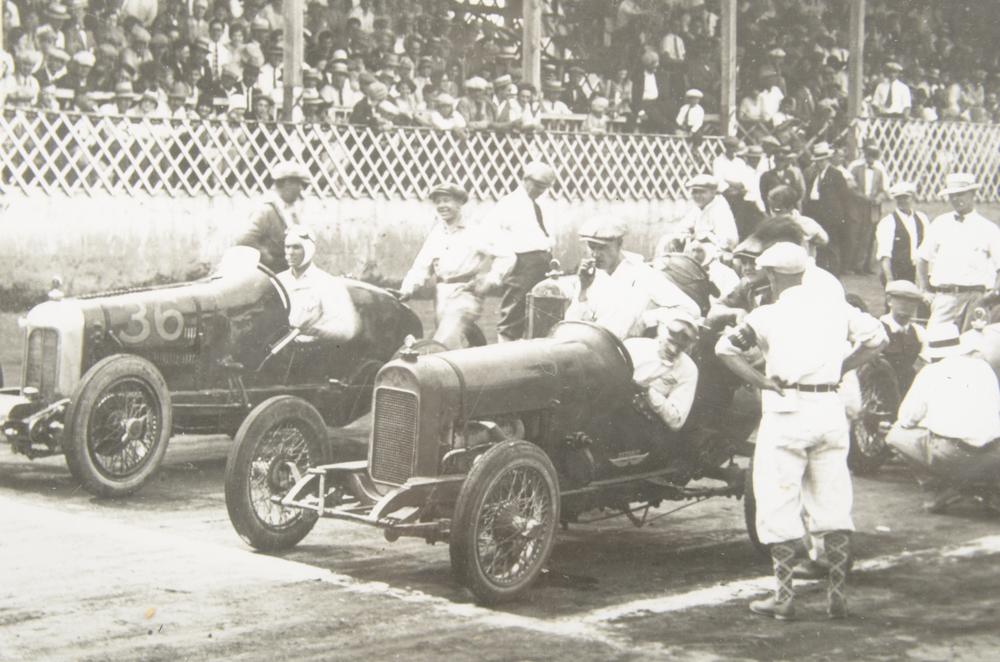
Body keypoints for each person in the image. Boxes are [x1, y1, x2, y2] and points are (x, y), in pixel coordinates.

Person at [716, 242, 888, 620]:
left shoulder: (768, 314)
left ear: (774, 276)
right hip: (828, 409)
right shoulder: (836, 308)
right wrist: (844, 367)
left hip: (785, 411)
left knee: (777, 502)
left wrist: (759, 380)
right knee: (833, 502)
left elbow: (724, 348)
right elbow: (878, 339)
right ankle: (837, 595)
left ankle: (783, 598)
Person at [887, 324, 1000, 513]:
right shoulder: (984, 367)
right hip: (993, 454)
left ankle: (939, 489)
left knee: (895, 435)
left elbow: (907, 418)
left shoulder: (931, 372)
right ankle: (992, 490)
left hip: (953, 454)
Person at [399, 183, 514, 350]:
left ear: (460, 203)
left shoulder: (476, 231)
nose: (441, 206)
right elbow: (421, 267)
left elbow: (507, 255)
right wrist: (406, 290)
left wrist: (490, 279)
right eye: (438, 202)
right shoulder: (437, 233)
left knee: (441, 342)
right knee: (449, 345)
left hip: (465, 294)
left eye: (447, 201)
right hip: (441, 295)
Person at [566, 216, 701, 340]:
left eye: (603, 248)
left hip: (627, 353)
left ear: (619, 244)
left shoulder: (642, 274)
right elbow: (573, 324)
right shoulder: (589, 275)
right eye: (592, 247)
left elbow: (691, 309)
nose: (595, 254)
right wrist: (583, 290)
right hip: (593, 351)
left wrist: (647, 319)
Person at [916, 173, 1000, 330]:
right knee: (936, 343)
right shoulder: (940, 223)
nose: (955, 199)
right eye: (951, 195)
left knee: (972, 346)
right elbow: (922, 257)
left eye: (960, 194)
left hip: (974, 298)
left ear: (973, 194)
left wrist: (991, 296)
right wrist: (925, 289)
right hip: (943, 297)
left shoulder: (988, 228)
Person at [485, 162, 557, 343]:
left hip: (545, 263)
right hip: (523, 265)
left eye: (545, 188)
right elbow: (486, 235)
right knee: (513, 315)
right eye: (538, 186)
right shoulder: (509, 203)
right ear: (525, 179)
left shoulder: (539, 204)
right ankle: (505, 356)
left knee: (545, 313)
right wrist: (508, 257)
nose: (541, 191)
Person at [276, 225, 360, 344]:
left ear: (308, 250)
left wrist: (314, 331)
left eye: (296, 247)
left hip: (308, 351)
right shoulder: (278, 280)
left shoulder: (327, 283)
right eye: (287, 247)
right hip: (276, 349)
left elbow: (346, 328)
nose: (290, 252)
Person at [624, 313, 700, 432]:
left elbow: (677, 421)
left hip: (641, 424)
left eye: (681, 347)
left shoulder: (689, 370)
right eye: (671, 341)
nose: (673, 350)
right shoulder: (634, 345)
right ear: (661, 332)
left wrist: (648, 392)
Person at [235, 161, 310, 273]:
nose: (300, 189)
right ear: (287, 182)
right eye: (298, 184)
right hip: (270, 275)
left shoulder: (285, 208)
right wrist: (269, 260)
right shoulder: (266, 209)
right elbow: (245, 239)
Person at [803, 142, 853, 276]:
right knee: (817, 247)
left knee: (831, 246)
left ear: (827, 159)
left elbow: (845, 197)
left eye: (822, 161)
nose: (820, 164)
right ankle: (819, 273)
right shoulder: (813, 174)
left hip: (831, 217)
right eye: (818, 161)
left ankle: (834, 275)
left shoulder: (836, 174)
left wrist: (842, 217)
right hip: (815, 214)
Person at [659, 175, 739, 253]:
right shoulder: (698, 208)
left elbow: (727, 241)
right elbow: (680, 228)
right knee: (666, 240)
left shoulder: (720, 209)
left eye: (702, 192)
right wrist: (687, 238)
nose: (697, 196)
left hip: (715, 255)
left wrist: (702, 239)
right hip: (696, 251)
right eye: (694, 192)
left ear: (713, 193)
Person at [846, 140, 890, 275]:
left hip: (872, 207)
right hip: (857, 206)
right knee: (853, 234)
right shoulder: (856, 168)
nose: (871, 160)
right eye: (869, 157)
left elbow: (883, 189)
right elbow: (850, 187)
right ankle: (849, 265)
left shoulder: (878, 171)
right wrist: (863, 198)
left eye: (874, 157)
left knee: (867, 236)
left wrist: (878, 199)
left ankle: (861, 265)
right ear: (865, 156)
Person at [879, 280, 928, 396]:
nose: (907, 306)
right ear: (889, 300)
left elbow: (929, 361)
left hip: (907, 390)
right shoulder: (877, 328)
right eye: (902, 300)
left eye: (912, 302)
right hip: (880, 391)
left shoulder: (919, 332)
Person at [875, 182, 930, 284]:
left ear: (912, 198)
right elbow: (885, 255)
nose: (902, 201)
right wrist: (890, 281)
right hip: (898, 273)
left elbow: (928, 248)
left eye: (905, 197)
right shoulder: (888, 222)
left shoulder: (922, 218)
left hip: (920, 271)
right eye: (898, 198)